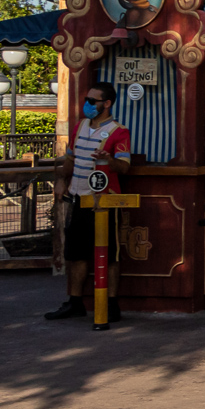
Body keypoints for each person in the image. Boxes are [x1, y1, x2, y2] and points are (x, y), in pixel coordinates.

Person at [45, 82, 131, 322]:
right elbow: (70, 158)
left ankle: (111, 304)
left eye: (93, 101)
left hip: (104, 200)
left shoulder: (118, 131)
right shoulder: (80, 126)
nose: (88, 105)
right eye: (87, 100)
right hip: (78, 196)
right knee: (75, 253)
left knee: (110, 253)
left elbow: (124, 166)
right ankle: (75, 302)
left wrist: (108, 160)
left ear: (107, 104)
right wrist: (62, 180)